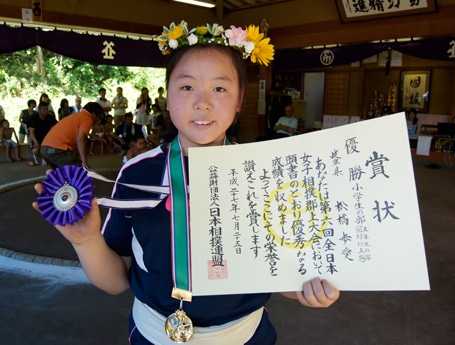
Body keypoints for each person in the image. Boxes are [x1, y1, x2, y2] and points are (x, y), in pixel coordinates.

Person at [33, 21, 338, 345]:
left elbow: (279, 270)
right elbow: (116, 281)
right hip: (153, 336)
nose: (202, 102)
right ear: (168, 96)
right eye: (187, 87)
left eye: (219, 88)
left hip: (245, 337)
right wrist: (86, 242)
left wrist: (309, 287)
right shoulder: (137, 175)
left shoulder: (265, 173)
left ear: (239, 99)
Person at [40, 102, 104, 169]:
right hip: (57, 149)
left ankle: (51, 174)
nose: (98, 121)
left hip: (45, 149)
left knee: (63, 174)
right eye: (99, 118)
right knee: (82, 171)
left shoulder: (77, 116)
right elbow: (80, 139)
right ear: (93, 115)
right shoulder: (87, 118)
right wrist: (84, 162)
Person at [28, 101, 58, 166]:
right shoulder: (33, 118)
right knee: (35, 150)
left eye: (47, 109)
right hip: (37, 139)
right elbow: (31, 131)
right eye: (44, 109)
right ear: (39, 110)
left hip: (48, 140)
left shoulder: (50, 117)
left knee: (54, 150)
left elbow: (57, 126)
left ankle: (48, 158)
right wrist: (35, 141)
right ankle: (43, 158)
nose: (46, 111)